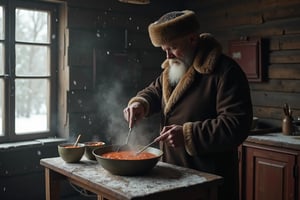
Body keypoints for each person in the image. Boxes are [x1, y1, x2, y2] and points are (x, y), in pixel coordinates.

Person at [123, 10, 253, 200]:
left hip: (209, 181)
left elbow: (236, 125)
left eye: (173, 47)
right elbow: (154, 91)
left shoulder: (226, 71)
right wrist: (140, 104)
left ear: (192, 39)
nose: (168, 56)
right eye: (163, 49)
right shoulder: (173, 68)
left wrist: (187, 135)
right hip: (174, 176)